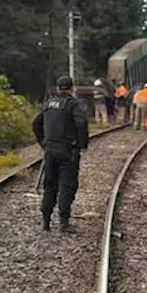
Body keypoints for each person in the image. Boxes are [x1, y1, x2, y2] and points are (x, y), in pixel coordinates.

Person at [32, 76, 89, 232]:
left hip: (50, 151)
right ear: (72, 88)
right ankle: (64, 222)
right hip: (67, 151)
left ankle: (46, 220)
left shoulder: (49, 104)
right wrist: (82, 144)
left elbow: (35, 124)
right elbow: (81, 123)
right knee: (67, 186)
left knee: (50, 185)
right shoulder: (72, 104)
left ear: (58, 88)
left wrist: (43, 142)